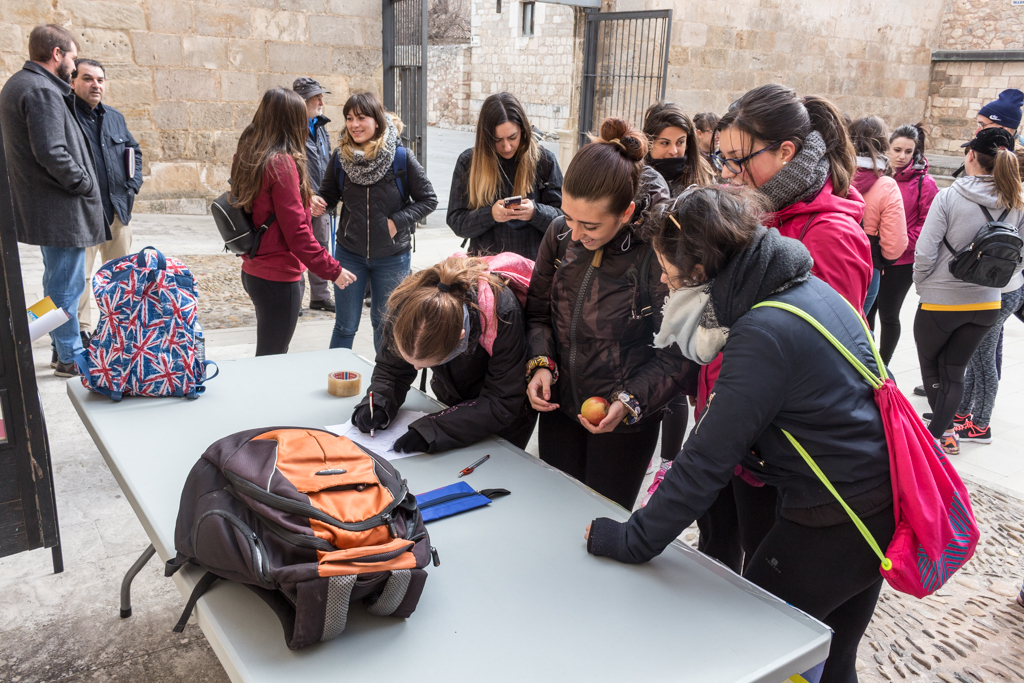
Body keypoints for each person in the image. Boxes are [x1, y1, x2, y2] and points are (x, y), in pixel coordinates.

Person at [586, 186, 895, 683]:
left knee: (756, 654)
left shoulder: (763, 330)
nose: (664, 281)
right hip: (870, 507)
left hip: (834, 519)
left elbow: (706, 458)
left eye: (668, 270)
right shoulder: (802, 287)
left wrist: (632, 539)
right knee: (832, 659)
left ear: (703, 270)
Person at [673, 84, 871, 573]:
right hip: (729, 427)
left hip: (779, 452)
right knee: (716, 553)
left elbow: (825, 362)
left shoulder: (831, 234)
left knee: (763, 580)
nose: (729, 173)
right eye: (723, 158)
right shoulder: (748, 212)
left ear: (787, 153)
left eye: (741, 159)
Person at [524, 117, 691, 510]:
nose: (575, 234)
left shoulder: (657, 254)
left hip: (625, 420)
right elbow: (538, 313)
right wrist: (541, 364)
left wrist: (631, 399)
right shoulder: (560, 236)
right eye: (567, 216)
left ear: (627, 212)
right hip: (561, 407)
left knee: (600, 520)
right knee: (554, 513)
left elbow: (677, 354)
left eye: (590, 225)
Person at [0, 25, 105, 377]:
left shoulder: (24, 84)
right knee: (66, 287)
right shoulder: (41, 90)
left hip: (49, 207)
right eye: (73, 58)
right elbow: (52, 151)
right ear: (57, 54)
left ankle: (53, 347)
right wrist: (84, 183)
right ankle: (63, 353)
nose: (74, 67)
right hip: (60, 208)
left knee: (58, 283)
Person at [351, 256, 535, 453]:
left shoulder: (503, 313)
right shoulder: (406, 307)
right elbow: (391, 368)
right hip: (455, 399)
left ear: (460, 340)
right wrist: (378, 402)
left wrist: (435, 429)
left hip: (507, 415)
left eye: (426, 364)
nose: (416, 368)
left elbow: (503, 399)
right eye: (411, 360)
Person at [913, 127, 1024, 455]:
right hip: (987, 304)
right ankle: (944, 434)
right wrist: (996, 285)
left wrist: (923, 285)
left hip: (940, 302)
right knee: (955, 371)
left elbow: (924, 252)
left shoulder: (949, 196)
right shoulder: (1017, 201)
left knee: (932, 368)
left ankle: (938, 435)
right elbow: (1020, 259)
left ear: (972, 155)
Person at [231, 87, 356, 356]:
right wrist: (333, 271)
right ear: (290, 121)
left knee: (268, 350)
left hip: (253, 268)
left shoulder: (248, 151)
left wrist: (301, 199)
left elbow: (260, 202)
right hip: (278, 275)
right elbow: (297, 233)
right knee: (272, 356)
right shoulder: (281, 163)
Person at [318, 91, 437, 351]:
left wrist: (395, 222)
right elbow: (328, 196)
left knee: (385, 325)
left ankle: (383, 387)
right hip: (350, 255)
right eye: (349, 118)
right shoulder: (341, 158)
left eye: (361, 117)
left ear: (377, 120)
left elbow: (428, 200)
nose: (354, 124)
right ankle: (337, 379)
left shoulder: (400, 157)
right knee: (345, 325)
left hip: (392, 257)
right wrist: (318, 202)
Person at [70, 59, 143, 349]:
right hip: (83, 216)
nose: (95, 85)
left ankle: (117, 326)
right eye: (88, 79)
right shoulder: (66, 115)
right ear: (73, 82)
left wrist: (132, 186)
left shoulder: (114, 117)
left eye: (100, 80)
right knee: (81, 279)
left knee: (120, 275)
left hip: (117, 213)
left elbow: (134, 152)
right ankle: (83, 332)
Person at [447, 92, 563, 259]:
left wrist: (535, 212)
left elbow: (565, 221)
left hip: (533, 271)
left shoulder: (544, 160)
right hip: (485, 272)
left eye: (512, 137)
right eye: (497, 139)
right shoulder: (469, 162)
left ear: (523, 130)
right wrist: (490, 215)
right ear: (485, 137)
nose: (507, 147)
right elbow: (456, 222)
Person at [869, 124, 939, 367]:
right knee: (866, 313)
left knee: (889, 315)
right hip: (874, 256)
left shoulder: (925, 183)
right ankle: (867, 363)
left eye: (908, 151)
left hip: (902, 260)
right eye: (897, 149)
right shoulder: (876, 175)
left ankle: (883, 366)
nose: (902, 156)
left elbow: (927, 224)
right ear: (886, 148)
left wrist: (897, 240)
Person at [849, 116, 907, 316]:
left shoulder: (835, 174)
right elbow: (895, 242)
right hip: (868, 261)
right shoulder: (886, 185)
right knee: (857, 325)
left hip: (829, 255)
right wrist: (884, 260)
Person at [293, 77, 335, 314]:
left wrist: (327, 194)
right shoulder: (291, 129)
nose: (321, 101)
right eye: (315, 97)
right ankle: (294, 299)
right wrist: (306, 196)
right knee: (298, 247)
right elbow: (292, 168)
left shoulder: (319, 126)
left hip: (320, 198)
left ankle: (320, 296)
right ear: (302, 102)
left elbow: (325, 162)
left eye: (320, 96)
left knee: (321, 246)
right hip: (300, 199)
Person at [641, 101, 716, 196]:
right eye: (665, 143)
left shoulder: (702, 172)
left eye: (680, 142)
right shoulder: (636, 175)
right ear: (649, 143)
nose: (673, 151)